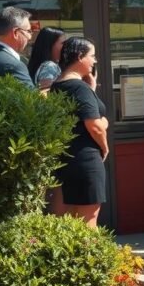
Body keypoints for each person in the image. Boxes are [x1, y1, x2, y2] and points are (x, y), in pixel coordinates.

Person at [48, 37, 109, 228]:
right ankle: (88, 257)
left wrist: (90, 89)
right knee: (88, 220)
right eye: (92, 56)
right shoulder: (78, 88)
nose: (95, 60)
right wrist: (104, 146)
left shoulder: (58, 85)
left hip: (67, 158)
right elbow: (94, 125)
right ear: (80, 56)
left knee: (68, 221)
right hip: (86, 158)